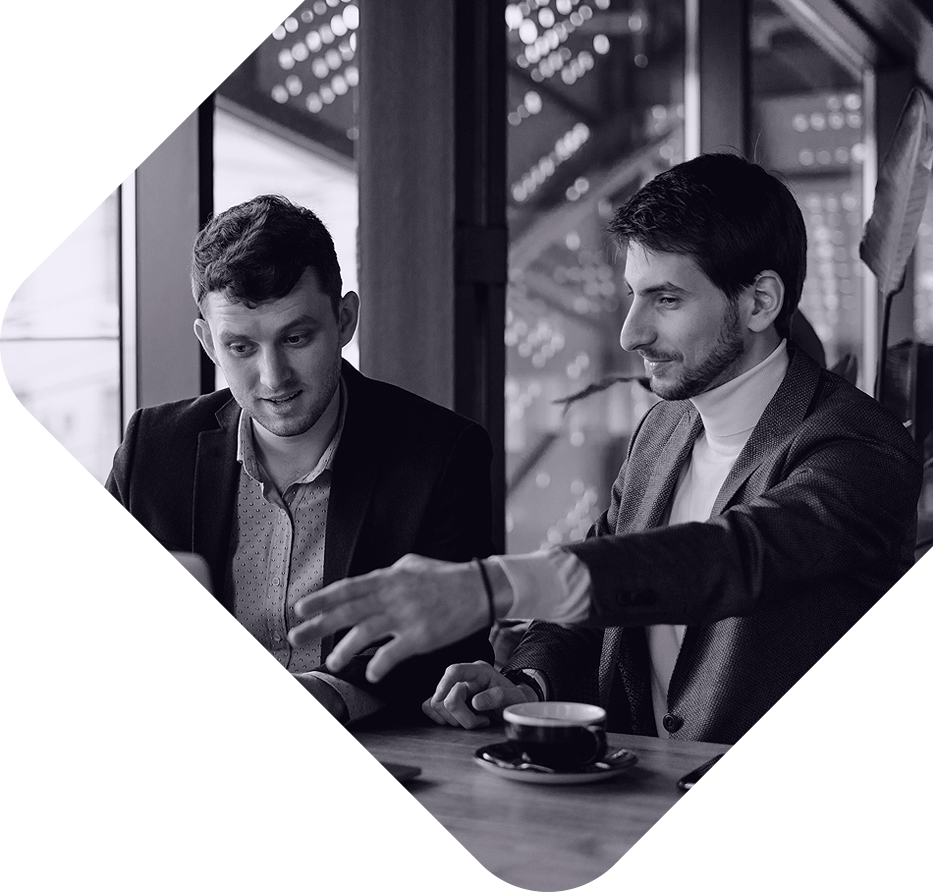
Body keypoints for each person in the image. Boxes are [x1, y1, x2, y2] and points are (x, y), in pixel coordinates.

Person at [289, 154, 922, 745]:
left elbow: (729, 559)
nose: (630, 333)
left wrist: (491, 586)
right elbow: (600, 593)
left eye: (666, 299)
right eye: (633, 295)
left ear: (760, 302)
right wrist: (526, 686)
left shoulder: (859, 446)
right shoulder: (663, 430)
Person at [106, 194, 495, 726]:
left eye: (295, 338)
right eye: (241, 347)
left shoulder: (443, 454)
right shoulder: (152, 448)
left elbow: (454, 648)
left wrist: (331, 692)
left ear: (344, 319)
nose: (274, 378)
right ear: (209, 344)